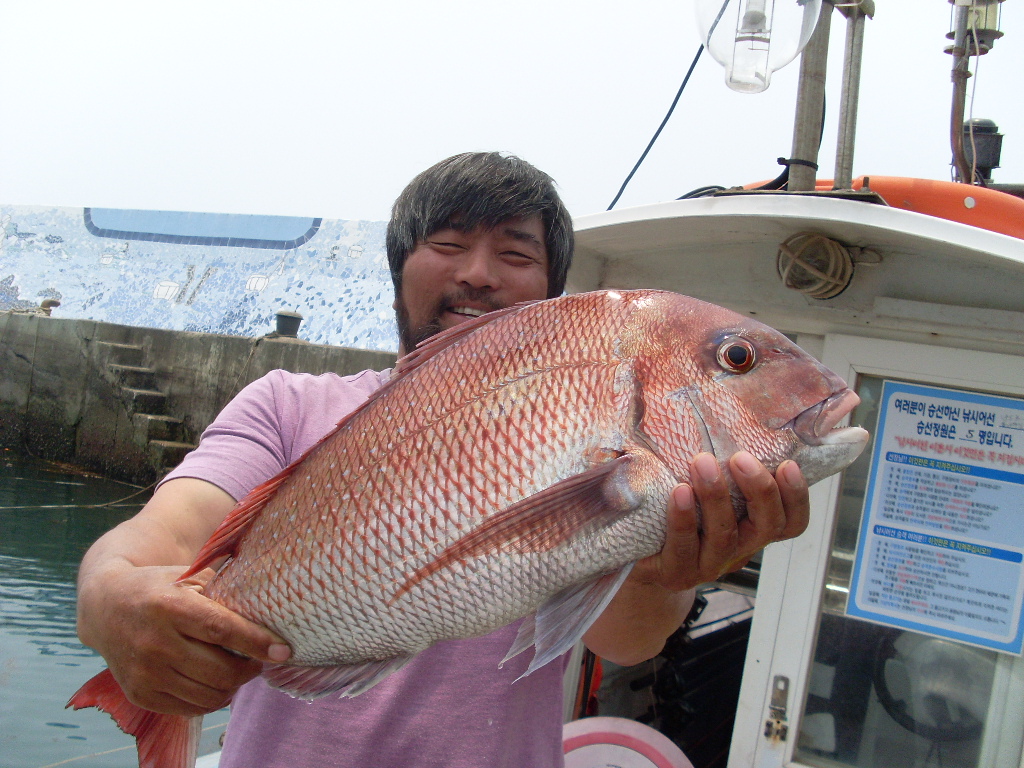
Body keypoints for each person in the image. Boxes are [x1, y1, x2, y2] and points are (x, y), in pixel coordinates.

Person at [75, 152, 810, 767]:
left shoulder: (597, 440)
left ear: (552, 296)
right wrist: (109, 598)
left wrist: (664, 563)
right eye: (449, 245)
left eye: (516, 253)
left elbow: (627, 639)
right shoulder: (287, 405)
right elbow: (164, 542)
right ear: (400, 266)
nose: (480, 274)